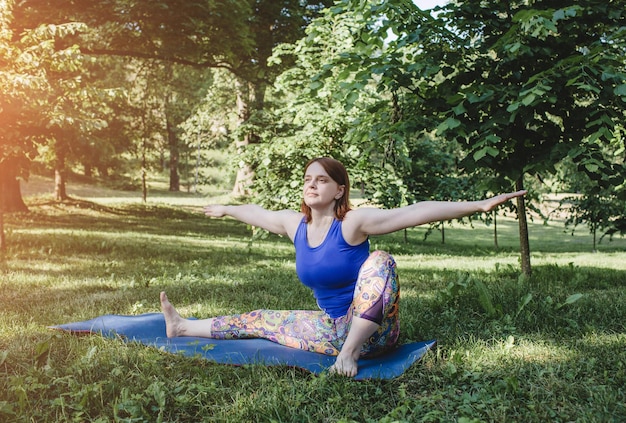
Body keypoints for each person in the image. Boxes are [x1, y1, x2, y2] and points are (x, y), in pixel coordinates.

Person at [160, 157, 526, 377]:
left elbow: (413, 212)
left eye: (321, 179)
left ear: (339, 190)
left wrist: (477, 205)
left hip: (375, 335)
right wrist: (226, 208)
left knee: (379, 260)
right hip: (329, 330)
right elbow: (258, 214)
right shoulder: (295, 226)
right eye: (307, 179)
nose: (312, 185)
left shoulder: (351, 223)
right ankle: (182, 327)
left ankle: (349, 355)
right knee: (259, 319)